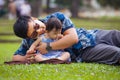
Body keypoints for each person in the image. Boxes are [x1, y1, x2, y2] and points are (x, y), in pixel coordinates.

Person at [13, 12, 120, 65]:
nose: (39, 30)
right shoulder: (29, 41)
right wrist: (27, 58)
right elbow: (15, 57)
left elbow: (73, 38)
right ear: (28, 37)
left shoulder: (57, 17)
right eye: (33, 34)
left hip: (93, 34)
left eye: (36, 26)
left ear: (34, 19)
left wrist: (48, 47)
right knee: (116, 53)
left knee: (116, 35)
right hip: (84, 51)